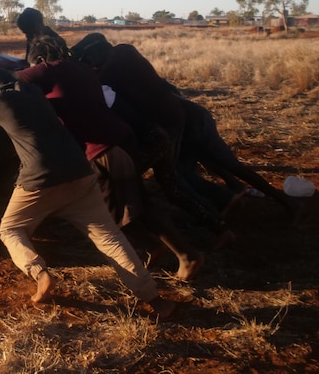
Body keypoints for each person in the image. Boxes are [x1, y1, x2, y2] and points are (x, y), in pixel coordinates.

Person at [0, 67, 177, 317]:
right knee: (110, 239)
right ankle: (155, 300)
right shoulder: (33, 92)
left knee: (11, 229)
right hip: (79, 173)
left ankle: (40, 273)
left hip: (40, 180)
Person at [16, 37, 204, 281]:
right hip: (120, 141)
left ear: (40, 60)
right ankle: (165, 250)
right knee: (138, 201)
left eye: (33, 63)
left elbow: (12, 78)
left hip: (101, 150)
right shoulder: (81, 69)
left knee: (110, 212)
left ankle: (181, 254)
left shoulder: (47, 70)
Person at [71, 33, 235, 249]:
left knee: (129, 189)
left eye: (90, 59)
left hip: (152, 138)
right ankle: (219, 227)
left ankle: (167, 247)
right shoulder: (116, 67)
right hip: (158, 134)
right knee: (171, 187)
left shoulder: (108, 76)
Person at [179, 97, 302, 224]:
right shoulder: (159, 86)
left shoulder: (159, 93)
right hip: (190, 121)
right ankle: (232, 187)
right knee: (205, 159)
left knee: (181, 171)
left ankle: (289, 203)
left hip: (193, 123)